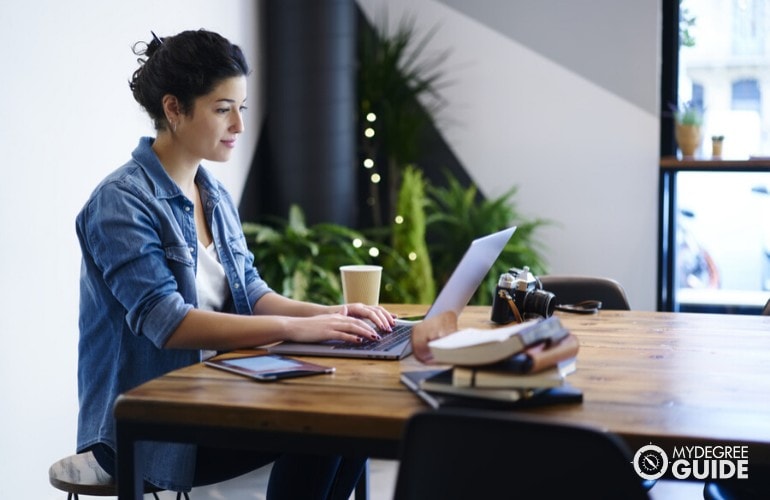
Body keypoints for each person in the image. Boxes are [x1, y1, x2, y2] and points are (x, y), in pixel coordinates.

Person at [75, 29, 395, 497]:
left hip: (218, 392)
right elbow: (168, 323)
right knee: (323, 433)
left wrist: (330, 316)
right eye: (223, 109)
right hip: (148, 423)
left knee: (351, 424)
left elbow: (251, 292)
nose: (239, 126)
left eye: (241, 109)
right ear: (173, 109)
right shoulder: (120, 203)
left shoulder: (214, 194)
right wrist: (295, 329)